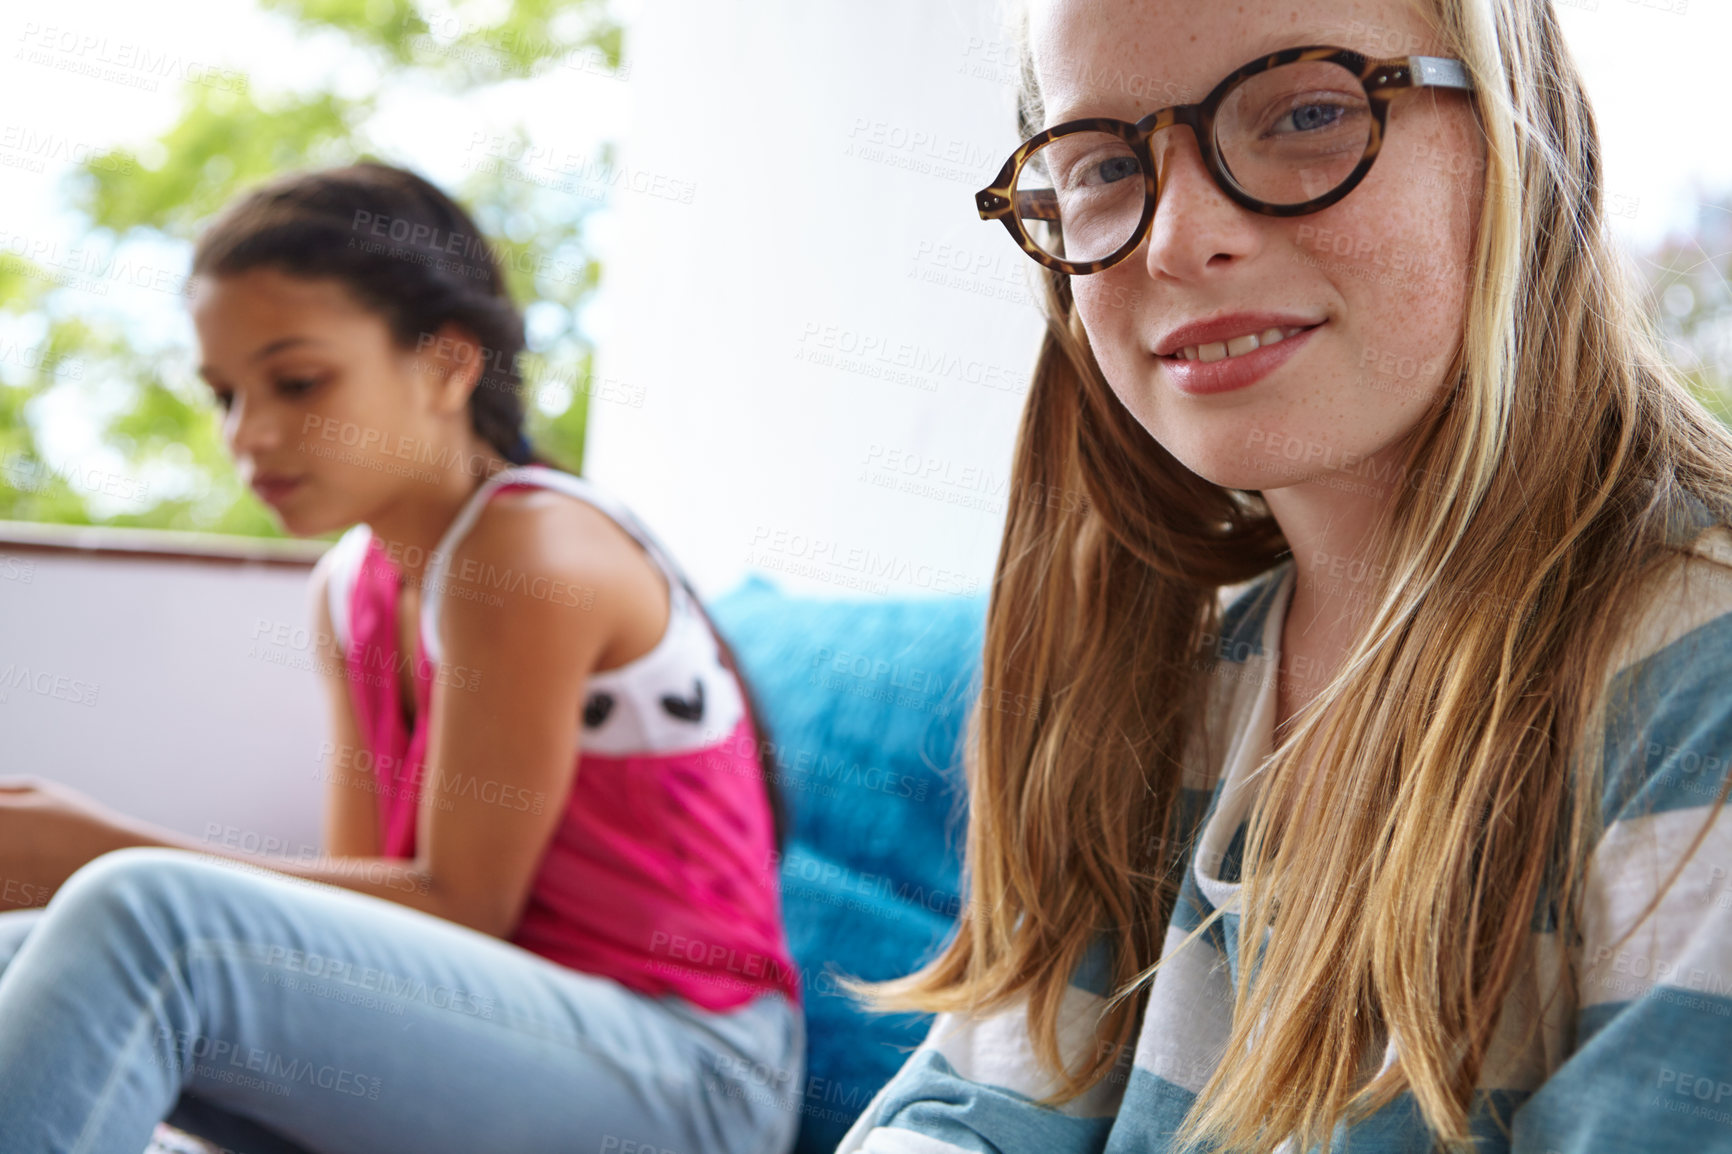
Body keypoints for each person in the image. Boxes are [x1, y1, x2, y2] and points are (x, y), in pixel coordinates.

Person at [835, 1, 1732, 1152]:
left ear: (1526, 136)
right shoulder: (1162, 677)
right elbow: (972, 1108)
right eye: (1105, 162)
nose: (1175, 238)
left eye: (1309, 110)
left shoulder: (1693, 675)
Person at [0, 161, 804, 1154]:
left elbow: (461, 907)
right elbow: (363, 900)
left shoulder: (529, 550)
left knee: (135, 912)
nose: (246, 436)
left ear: (447, 364)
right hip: (496, 1034)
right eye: (224, 395)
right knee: (21, 953)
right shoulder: (350, 585)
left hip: (695, 1075)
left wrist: (97, 847)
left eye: (297, 382)